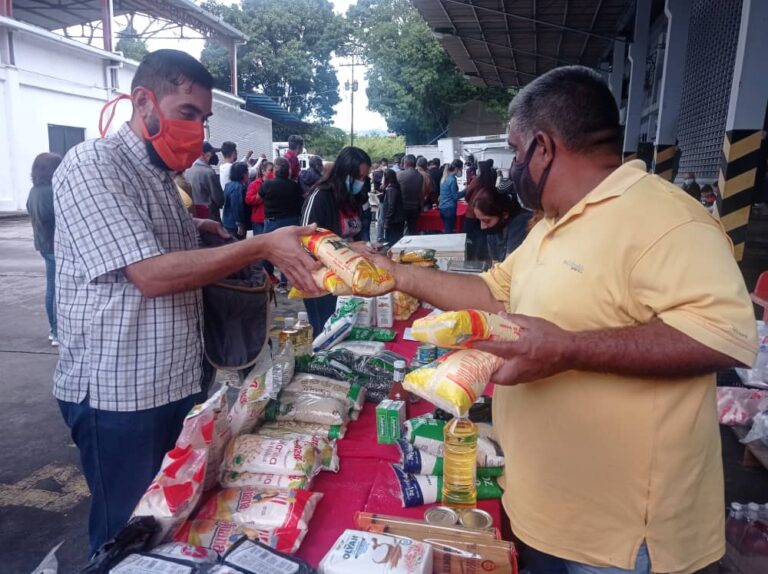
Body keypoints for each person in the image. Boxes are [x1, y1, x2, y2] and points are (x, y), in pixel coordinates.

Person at [369, 65, 757, 574]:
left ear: (543, 147)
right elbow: (491, 293)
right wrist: (393, 274)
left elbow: (723, 338)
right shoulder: (553, 223)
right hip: (544, 506)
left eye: (514, 150)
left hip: (618, 539)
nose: (510, 168)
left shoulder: (666, 219)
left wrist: (568, 348)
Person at [52, 49, 319, 554]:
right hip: (120, 393)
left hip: (177, 380)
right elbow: (151, 275)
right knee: (126, 532)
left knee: (170, 523)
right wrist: (260, 244)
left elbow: (148, 244)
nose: (197, 131)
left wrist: (196, 228)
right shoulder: (93, 164)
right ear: (143, 102)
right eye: (186, 114)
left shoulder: (159, 177)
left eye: (204, 119)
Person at [302, 146, 372, 334]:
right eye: (358, 177)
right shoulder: (319, 198)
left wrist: (367, 247)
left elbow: (356, 233)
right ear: (344, 172)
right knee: (325, 334)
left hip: (346, 277)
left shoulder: (351, 197)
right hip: (321, 282)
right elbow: (307, 244)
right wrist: (349, 247)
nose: (361, 182)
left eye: (364, 178)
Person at [26, 152, 63, 347]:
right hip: (56, 246)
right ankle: (57, 331)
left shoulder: (35, 190)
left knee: (51, 288)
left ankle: (53, 330)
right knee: (59, 290)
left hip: (44, 244)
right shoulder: (52, 192)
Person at [260, 157, 305, 292]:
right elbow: (300, 202)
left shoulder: (267, 185)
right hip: (291, 221)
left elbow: (261, 196)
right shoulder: (294, 186)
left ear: (275, 171)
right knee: (288, 253)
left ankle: (266, 279)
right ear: (288, 171)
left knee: (267, 252)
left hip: (272, 222)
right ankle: (285, 282)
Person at [472, 188, 532, 262]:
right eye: (479, 220)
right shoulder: (493, 230)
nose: (482, 226)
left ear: (504, 215)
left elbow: (508, 265)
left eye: (486, 221)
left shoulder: (520, 222)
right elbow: (495, 263)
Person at [463, 159, 494, 261]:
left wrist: (469, 201)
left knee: (469, 235)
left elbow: (467, 194)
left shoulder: (477, 180)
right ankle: (480, 256)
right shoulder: (492, 180)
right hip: (485, 212)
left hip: (472, 212)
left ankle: (469, 255)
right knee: (481, 235)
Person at [185, 141, 224, 221]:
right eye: (212, 153)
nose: (214, 156)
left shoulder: (188, 170)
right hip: (210, 215)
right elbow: (218, 199)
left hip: (195, 214)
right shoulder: (209, 172)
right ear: (202, 154)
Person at [396, 154, 423, 235]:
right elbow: (420, 193)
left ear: (406, 163)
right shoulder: (419, 176)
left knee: (399, 231)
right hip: (414, 207)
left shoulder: (399, 174)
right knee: (413, 230)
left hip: (402, 208)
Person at [222, 162, 249, 239]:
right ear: (243, 174)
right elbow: (237, 206)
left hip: (228, 221)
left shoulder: (228, 185)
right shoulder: (238, 187)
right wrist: (240, 224)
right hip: (235, 224)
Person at [437, 159, 465, 233]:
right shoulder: (452, 179)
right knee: (449, 232)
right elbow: (455, 196)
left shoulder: (444, 177)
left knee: (446, 229)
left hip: (442, 208)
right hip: (449, 209)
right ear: (456, 169)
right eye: (461, 169)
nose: (461, 171)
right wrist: (465, 191)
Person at [381, 168, 406, 245]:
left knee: (392, 242)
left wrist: (387, 221)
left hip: (394, 220)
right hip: (397, 219)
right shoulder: (395, 187)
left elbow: (391, 206)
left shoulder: (391, 189)